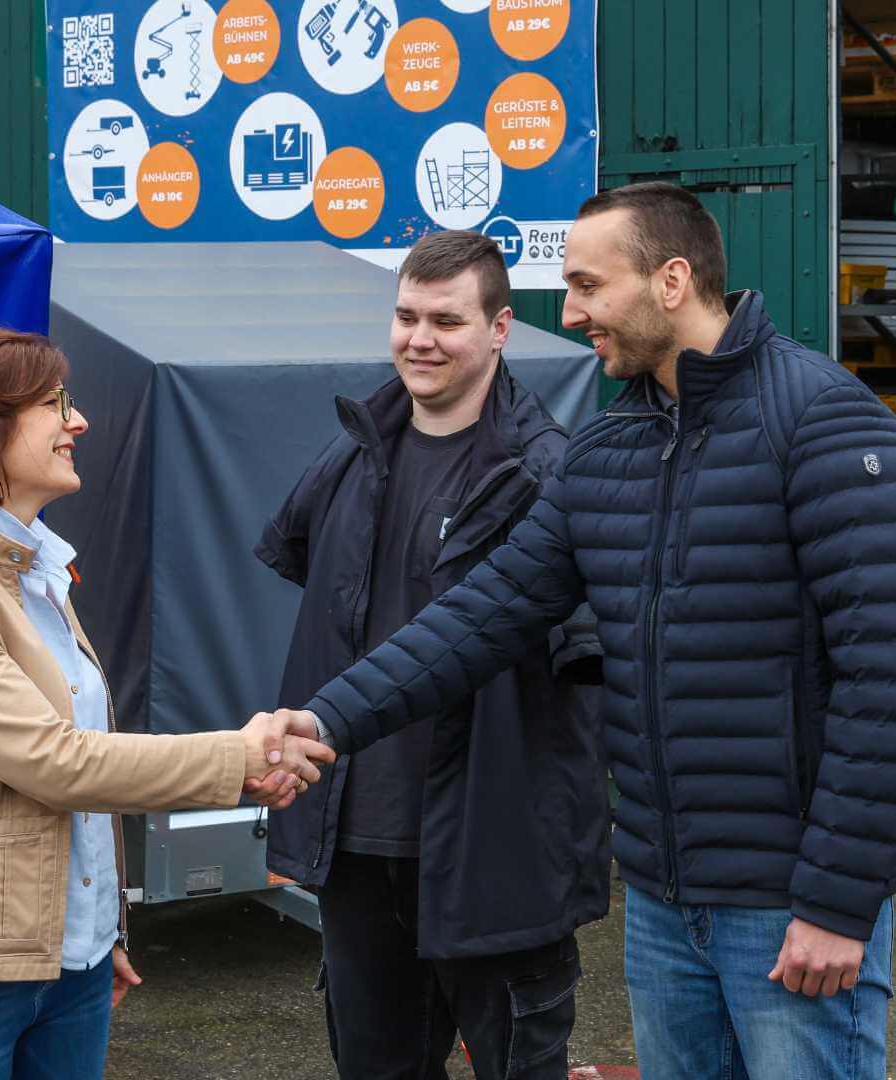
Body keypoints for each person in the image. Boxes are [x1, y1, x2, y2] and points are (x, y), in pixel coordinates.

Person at [259, 183, 896, 1077]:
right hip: (663, 904)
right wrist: (326, 721)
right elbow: (479, 615)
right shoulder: (609, 449)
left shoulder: (820, 419)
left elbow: (887, 677)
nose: (571, 312)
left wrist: (842, 902)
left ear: (671, 280)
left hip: (786, 906)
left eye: (587, 286)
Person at [0, 327, 333, 1080]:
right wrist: (240, 754)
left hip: (71, 963)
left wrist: (98, 928)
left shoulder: (34, 570)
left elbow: (75, 778)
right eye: (52, 404)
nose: (79, 422)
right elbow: (52, 762)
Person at [254, 230, 608, 1080]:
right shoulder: (352, 453)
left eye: (447, 321)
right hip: (357, 844)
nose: (420, 339)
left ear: (499, 329)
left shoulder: (548, 474)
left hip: (493, 851)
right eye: (406, 316)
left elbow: (583, 663)